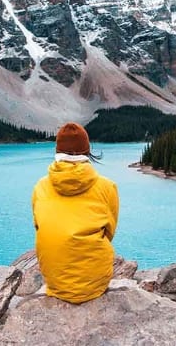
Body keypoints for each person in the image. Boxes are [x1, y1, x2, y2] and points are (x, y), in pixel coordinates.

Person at [31, 122, 120, 304]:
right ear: (87, 152)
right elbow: (109, 232)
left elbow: (39, 226)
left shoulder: (40, 186)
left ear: (58, 152)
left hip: (55, 282)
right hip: (95, 284)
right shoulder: (107, 187)